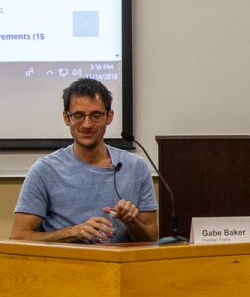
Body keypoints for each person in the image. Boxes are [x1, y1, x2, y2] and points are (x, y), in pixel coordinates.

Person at [10, 78, 159, 244]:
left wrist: (132, 222)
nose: (87, 124)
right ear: (67, 118)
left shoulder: (136, 167)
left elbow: (152, 239)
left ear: (109, 117)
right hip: (65, 267)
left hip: (119, 267)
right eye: (78, 116)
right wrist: (73, 232)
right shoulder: (44, 170)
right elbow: (18, 237)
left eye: (95, 115)